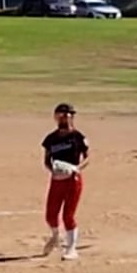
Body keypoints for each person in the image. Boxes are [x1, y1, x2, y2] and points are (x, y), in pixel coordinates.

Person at [41, 103, 90, 261]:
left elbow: (87, 157)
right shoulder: (51, 139)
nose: (65, 118)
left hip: (73, 180)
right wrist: (53, 170)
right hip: (57, 180)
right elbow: (47, 160)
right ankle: (55, 236)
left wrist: (76, 168)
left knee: (68, 215)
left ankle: (71, 249)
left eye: (68, 115)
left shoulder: (78, 137)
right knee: (50, 215)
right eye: (61, 115)